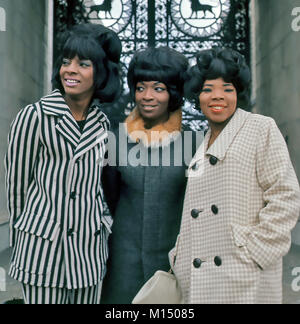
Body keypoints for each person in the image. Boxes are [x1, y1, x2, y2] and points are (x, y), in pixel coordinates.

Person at [170, 47, 300, 304]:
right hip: (201, 276)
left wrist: (256, 251)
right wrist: (180, 256)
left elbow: (285, 195)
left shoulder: (260, 127)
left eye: (227, 89)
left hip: (243, 274)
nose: (217, 96)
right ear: (197, 96)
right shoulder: (201, 145)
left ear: (237, 94)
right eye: (207, 89)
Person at [4, 23, 122, 304]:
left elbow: (98, 187)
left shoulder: (102, 124)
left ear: (101, 72)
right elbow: (17, 191)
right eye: (66, 62)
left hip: (88, 253)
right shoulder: (34, 117)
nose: (70, 69)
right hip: (43, 252)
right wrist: (23, 244)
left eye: (83, 64)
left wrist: (103, 220)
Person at [100, 46, 200, 304]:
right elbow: (111, 197)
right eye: (141, 87)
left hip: (174, 260)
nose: (147, 96)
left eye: (158, 88)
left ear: (173, 93)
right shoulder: (116, 139)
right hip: (124, 261)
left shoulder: (194, 143)